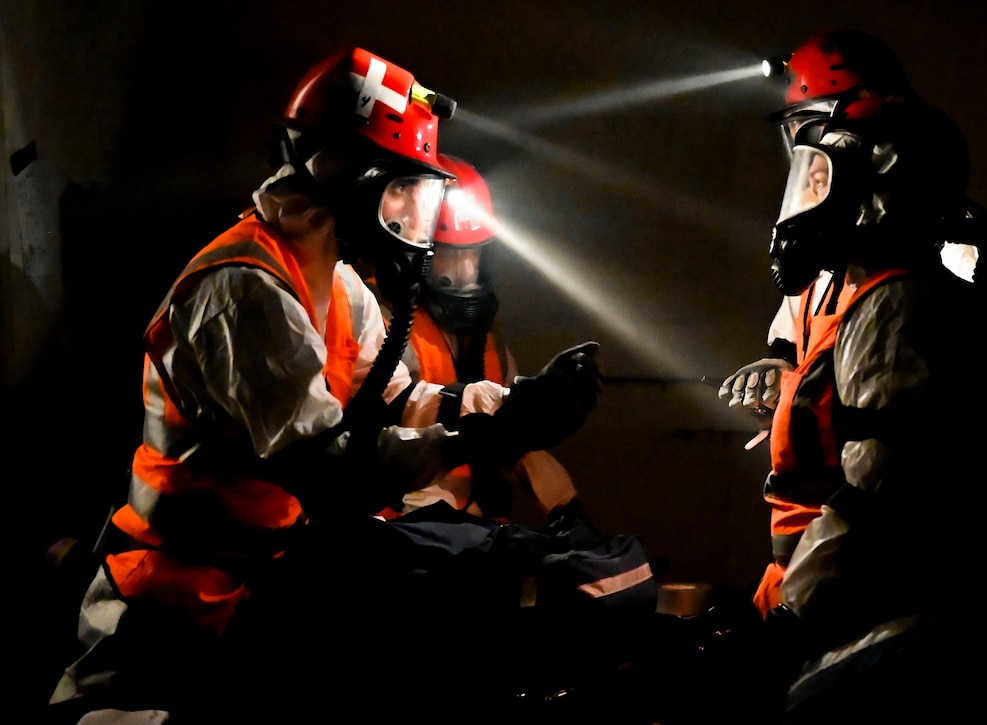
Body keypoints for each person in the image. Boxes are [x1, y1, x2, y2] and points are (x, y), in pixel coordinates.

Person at [46, 47, 602, 724]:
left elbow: (395, 393)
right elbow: (329, 468)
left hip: (259, 583)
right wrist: (480, 436)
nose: (412, 218)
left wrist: (493, 404)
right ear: (348, 173)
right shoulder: (246, 292)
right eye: (403, 190)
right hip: (172, 601)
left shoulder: (334, 282)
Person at [726, 30, 987, 720]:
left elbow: (896, 458)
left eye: (823, 138)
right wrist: (783, 378)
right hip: (822, 568)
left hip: (872, 581)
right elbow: (809, 348)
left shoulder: (917, 274)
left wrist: (790, 619)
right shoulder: (838, 272)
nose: (811, 167)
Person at [375, 152, 579, 522]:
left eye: (473, 253)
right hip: (399, 538)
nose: (464, 272)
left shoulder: (486, 333)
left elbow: (516, 444)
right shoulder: (382, 319)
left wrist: (569, 514)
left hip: (471, 537)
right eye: (449, 254)